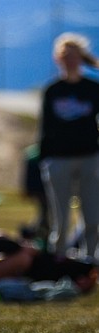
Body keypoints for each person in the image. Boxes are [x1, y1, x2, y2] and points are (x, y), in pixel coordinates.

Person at [37, 32, 99, 259]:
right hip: (59, 159)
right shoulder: (52, 90)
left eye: (74, 56)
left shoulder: (93, 89)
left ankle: (91, 261)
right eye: (65, 56)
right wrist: (44, 160)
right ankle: (59, 262)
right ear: (58, 59)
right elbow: (44, 127)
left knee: (92, 216)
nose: (70, 60)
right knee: (60, 218)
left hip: (89, 158)